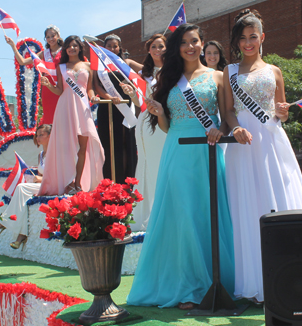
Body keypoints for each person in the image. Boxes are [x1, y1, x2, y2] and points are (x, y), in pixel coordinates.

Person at [126, 24, 234, 310]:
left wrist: (219, 131)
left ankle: (214, 282)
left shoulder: (218, 76)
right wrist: (160, 112)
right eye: (184, 42)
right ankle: (188, 286)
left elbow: (226, 118)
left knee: (206, 215)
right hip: (177, 151)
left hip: (207, 153)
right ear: (178, 47)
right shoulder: (168, 78)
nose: (190, 47)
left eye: (195, 41)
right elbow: (166, 126)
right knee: (182, 216)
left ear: (202, 44)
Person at [223, 9, 302, 303]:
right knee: (246, 206)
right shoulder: (230, 72)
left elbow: (280, 111)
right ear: (236, 42)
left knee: (279, 198)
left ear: (262, 37)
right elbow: (227, 110)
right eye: (242, 38)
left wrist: (283, 113)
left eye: (253, 37)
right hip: (242, 144)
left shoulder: (275, 71)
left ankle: (291, 277)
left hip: (271, 141)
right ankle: (254, 282)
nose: (248, 43)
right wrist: (234, 129)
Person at [38, 35, 104, 195]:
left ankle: (79, 183)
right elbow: (60, 90)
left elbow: (90, 88)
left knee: (83, 147)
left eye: (75, 46)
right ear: (65, 49)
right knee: (66, 147)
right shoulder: (62, 67)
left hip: (82, 107)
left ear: (80, 48)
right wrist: (49, 85)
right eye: (69, 46)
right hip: (65, 107)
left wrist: (93, 96)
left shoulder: (88, 66)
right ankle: (68, 182)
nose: (72, 48)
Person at [123, 34, 167, 231]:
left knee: (163, 166)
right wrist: (131, 93)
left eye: (161, 46)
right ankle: (146, 213)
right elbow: (139, 103)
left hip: (166, 123)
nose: (158, 50)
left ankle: (164, 211)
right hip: (147, 125)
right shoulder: (144, 74)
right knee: (148, 166)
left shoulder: (174, 71)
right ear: (149, 50)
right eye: (154, 47)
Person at [0, 125, 52, 250]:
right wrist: (39, 179)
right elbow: (40, 175)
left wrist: (41, 179)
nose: (38, 137)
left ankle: (3, 222)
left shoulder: (56, 154)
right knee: (22, 197)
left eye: (41, 134)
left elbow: (58, 175)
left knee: (21, 188)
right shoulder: (41, 155)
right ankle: (21, 236)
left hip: (53, 185)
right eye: (37, 135)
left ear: (50, 136)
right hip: (41, 186)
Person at [93, 35, 138, 183]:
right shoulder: (98, 65)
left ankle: (126, 181)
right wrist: (109, 97)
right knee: (108, 144)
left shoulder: (125, 62)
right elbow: (96, 86)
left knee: (125, 143)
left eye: (115, 46)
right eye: (109, 46)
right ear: (104, 47)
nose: (112, 49)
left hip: (124, 106)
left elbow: (142, 74)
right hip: (107, 106)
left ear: (120, 48)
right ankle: (110, 181)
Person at [5, 25, 63, 125]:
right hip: (48, 89)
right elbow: (22, 61)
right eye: (47, 37)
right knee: (50, 120)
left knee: (63, 118)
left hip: (63, 87)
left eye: (52, 36)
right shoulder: (43, 54)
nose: (50, 39)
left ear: (58, 36)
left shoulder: (65, 51)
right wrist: (13, 46)